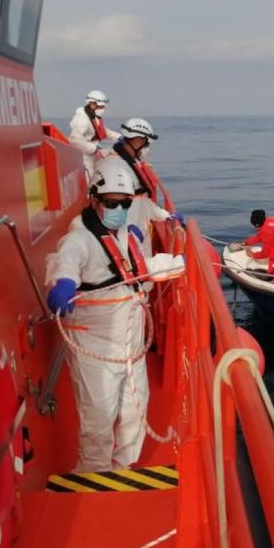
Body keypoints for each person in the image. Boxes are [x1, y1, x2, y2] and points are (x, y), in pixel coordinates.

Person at [44, 161, 177, 472]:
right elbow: (66, 260)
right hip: (97, 347)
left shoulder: (125, 236)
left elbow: (142, 271)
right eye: (112, 203)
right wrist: (63, 282)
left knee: (136, 409)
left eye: (125, 203)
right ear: (94, 200)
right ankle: (94, 472)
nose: (119, 208)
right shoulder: (81, 239)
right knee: (98, 417)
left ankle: (124, 466)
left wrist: (182, 261)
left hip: (130, 346)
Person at [97, 118, 182, 256]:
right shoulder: (114, 165)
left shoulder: (130, 162)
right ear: (137, 140)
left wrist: (164, 215)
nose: (147, 147)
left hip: (138, 225)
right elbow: (114, 205)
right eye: (146, 143)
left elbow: (141, 200)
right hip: (129, 229)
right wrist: (127, 231)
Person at [69, 89, 120, 181]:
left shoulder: (93, 116)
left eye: (103, 107)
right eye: (100, 107)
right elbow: (74, 139)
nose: (102, 109)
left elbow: (101, 130)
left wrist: (118, 137)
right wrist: (94, 148)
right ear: (92, 104)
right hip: (84, 155)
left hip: (92, 153)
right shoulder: (82, 118)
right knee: (89, 179)